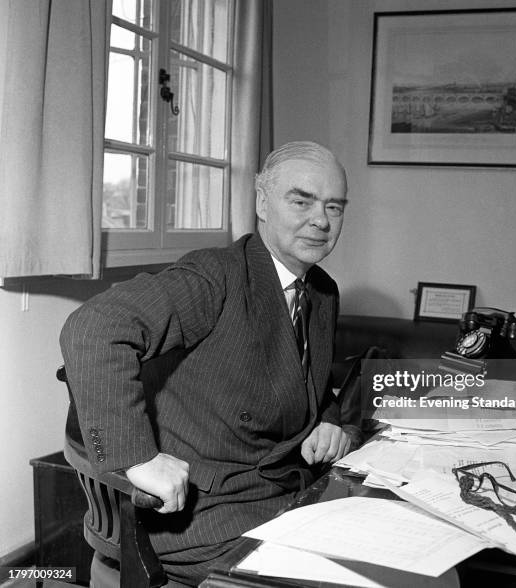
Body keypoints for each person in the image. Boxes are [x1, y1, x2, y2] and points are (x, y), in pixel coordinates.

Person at [60, 141, 354, 585]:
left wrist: (329, 421)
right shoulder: (215, 274)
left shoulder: (322, 290)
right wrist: (137, 459)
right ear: (261, 202)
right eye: (302, 200)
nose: (321, 220)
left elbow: (305, 382)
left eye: (335, 207)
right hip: (204, 519)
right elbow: (93, 327)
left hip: (282, 493)